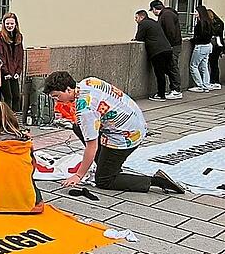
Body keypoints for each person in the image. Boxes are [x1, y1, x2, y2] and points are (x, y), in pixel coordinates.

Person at [42, 72, 184, 193]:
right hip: (135, 121)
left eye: (56, 96)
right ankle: (106, 164)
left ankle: (157, 181)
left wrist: (78, 175)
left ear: (68, 89)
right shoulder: (88, 82)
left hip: (126, 137)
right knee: (78, 127)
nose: (57, 100)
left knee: (104, 180)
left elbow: (92, 146)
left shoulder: (85, 109)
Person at [134, 10, 181, 100]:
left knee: (159, 73)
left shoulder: (143, 24)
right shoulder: (153, 22)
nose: (135, 20)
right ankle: (175, 90)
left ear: (141, 17)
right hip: (167, 49)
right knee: (169, 70)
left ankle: (161, 94)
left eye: (136, 18)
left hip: (157, 51)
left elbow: (139, 38)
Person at [150, 0, 183, 96]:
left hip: (172, 45)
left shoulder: (166, 15)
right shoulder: (167, 14)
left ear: (154, 9)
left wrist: (168, 45)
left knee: (172, 67)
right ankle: (175, 88)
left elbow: (170, 31)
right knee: (171, 67)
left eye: (152, 10)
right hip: (173, 45)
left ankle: (176, 90)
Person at [0, 12, 24, 113]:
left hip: (14, 72)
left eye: (12, 23)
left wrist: (18, 71)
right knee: (8, 97)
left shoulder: (18, 36)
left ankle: (16, 118)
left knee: (16, 96)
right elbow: (0, 55)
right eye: (7, 23)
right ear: (3, 24)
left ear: (15, 24)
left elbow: (20, 55)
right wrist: (5, 72)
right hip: (4, 73)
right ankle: (7, 118)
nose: (9, 26)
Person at [188, 5, 214, 93]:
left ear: (200, 13)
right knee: (204, 66)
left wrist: (193, 40)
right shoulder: (209, 22)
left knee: (193, 66)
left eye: (196, 12)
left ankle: (200, 85)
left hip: (201, 46)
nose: (194, 13)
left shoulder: (200, 24)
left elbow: (200, 37)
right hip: (208, 46)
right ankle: (206, 84)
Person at [209, 8, 224, 90]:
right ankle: (215, 81)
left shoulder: (216, 24)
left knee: (213, 63)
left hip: (216, 45)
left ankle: (214, 81)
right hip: (219, 45)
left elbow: (215, 32)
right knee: (214, 64)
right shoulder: (220, 22)